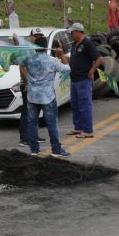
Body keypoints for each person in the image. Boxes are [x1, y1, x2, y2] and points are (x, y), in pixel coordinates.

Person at [19, 28, 72, 158]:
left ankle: (34, 149)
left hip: (32, 96)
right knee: (51, 124)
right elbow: (67, 69)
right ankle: (56, 150)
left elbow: (20, 64)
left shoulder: (28, 59)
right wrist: (61, 55)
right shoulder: (52, 60)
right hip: (48, 97)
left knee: (32, 123)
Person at [67, 23, 102, 138]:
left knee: (84, 106)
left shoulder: (87, 43)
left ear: (78, 32)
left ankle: (88, 130)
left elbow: (99, 58)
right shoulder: (74, 44)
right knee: (75, 105)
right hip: (74, 79)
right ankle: (78, 128)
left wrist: (92, 70)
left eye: (72, 33)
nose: (71, 35)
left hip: (83, 79)